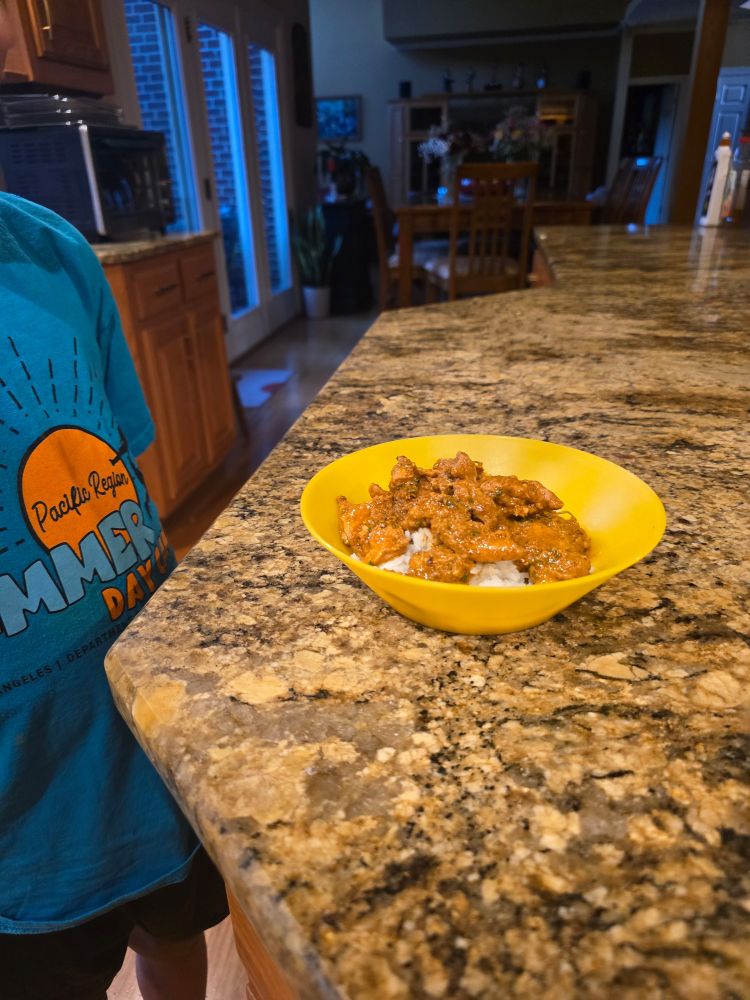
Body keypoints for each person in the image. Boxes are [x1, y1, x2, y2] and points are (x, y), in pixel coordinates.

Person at [0, 6, 229, 998]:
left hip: (149, 747)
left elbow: (124, 478)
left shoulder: (52, 252)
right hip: (23, 841)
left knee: (175, 934)